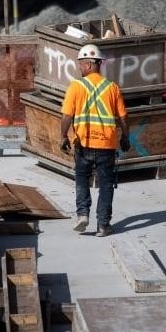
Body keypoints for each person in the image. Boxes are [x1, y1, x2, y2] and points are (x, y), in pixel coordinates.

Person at [60, 44, 130, 237]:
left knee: (82, 179)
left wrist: (63, 136)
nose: (79, 68)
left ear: (90, 64)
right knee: (106, 184)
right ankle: (103, 225)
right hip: (106, 146)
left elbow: (67, 116)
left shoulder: (76, 87)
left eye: (81, 64)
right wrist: (125, 136)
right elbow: (123, 117)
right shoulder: (112, 87)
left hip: (82, 144)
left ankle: (83, 214)